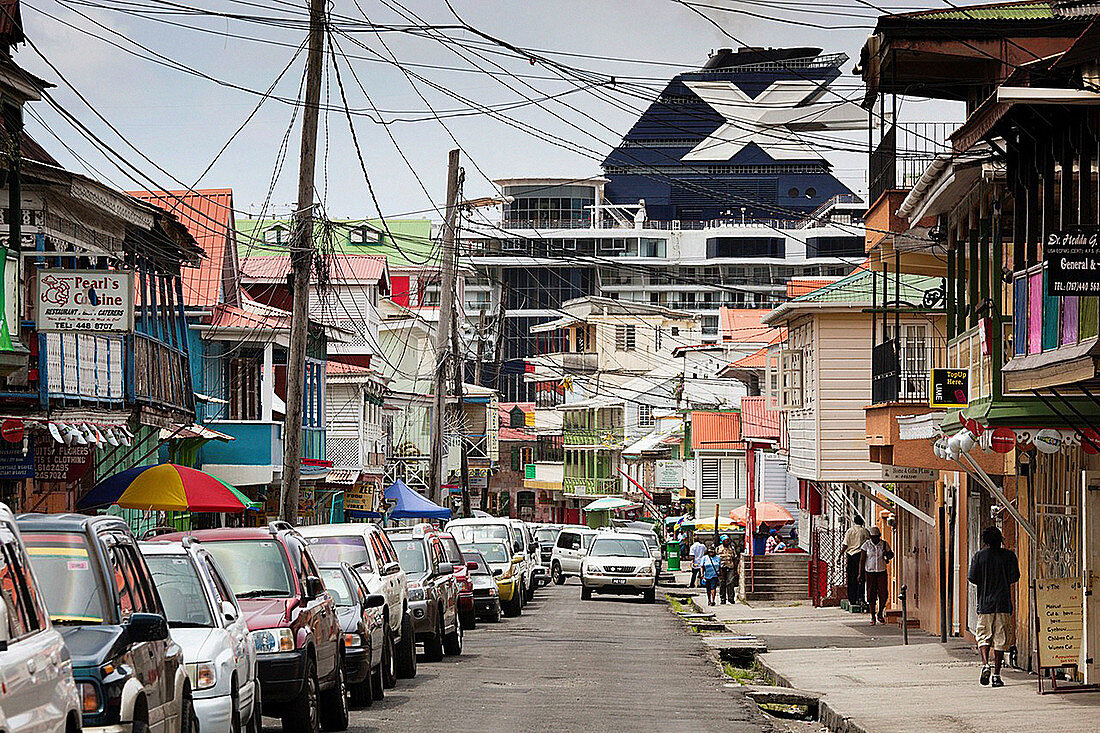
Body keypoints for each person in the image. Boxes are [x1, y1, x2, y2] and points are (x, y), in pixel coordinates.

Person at [968, 526, 1020, 688]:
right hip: (1003, 603)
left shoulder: (979, 556)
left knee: (983, 636)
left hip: (985, 604)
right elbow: (1014, 577)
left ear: (986, 541)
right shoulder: (1009, 556)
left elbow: (972, 577)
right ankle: (996, 675)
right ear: (1001, 540)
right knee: (1000, 640)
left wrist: (986, 582)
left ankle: (985, 664)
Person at [859, 526, 893, 624]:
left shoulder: (883, 544)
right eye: (873, 537)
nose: (875, 539)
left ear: (879, 536)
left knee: (883, 594)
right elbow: (862, 560)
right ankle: (873, 616)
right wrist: (860, 574)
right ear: (870, 537)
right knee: (871, 594)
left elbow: (891, 555)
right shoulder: (866, 546)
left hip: (881, 572)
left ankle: (880, 613)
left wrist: (886, 554)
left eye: (876, 537)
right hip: (870, 572)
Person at [839, 515, 871, 607]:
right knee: (860, 577)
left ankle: (852, 599)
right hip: (860, 556)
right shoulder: (864, 531)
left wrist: (840, 555)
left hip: (850, 556)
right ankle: (860, 597)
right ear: (861, 522)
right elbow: (869, 543)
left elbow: (845, 544)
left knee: (851, 578)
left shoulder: (850, 531)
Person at [717, 535, 739, 604]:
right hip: (721, 568)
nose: (727, 542)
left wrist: (735, 569)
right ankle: (722, 598)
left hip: (730, 567)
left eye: (728, 540)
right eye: (726, 540)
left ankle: (731, 598)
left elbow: (735, 558)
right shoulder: (718, 548)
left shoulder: (732, 548)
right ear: (722, 541)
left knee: (730, 583)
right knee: (722, 583)